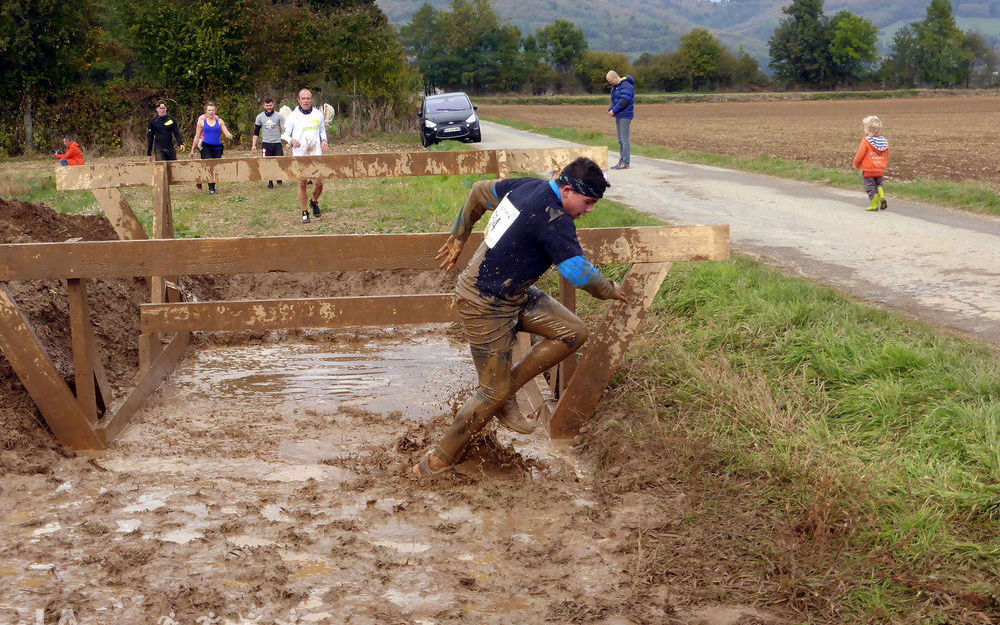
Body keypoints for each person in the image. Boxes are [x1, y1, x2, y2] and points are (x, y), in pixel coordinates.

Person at [412, 157, 629, 478]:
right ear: (567, 190)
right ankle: (434, 464)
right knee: (490, 393)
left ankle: (507, 390)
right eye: (588, 202)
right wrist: (611, 289)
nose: (590, 210)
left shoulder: (528, 186)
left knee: (572, 332)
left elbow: (477, 193)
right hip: (483, 302)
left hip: (514, 292)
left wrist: (460, 235)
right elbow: (578, 273)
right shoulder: (554, 219)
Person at [281, 88, 329, 224]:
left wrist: (324, 141)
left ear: (311, 100)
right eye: (303, 98)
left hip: (315, 154)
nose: (306, 101)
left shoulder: (318, 114)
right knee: (302, 183)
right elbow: (284, 134)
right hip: (300, 154)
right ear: (299, 100)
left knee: (319, 184)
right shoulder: (293, 116)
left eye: (308, 98)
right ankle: (304, 212)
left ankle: (314, 202)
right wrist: (291, 141)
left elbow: (322, 131)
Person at [189, 102, 233, 195]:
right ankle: (211, 188)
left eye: (213, 110)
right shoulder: (201, 122)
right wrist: (192, 149)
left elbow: (225, 131)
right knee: (209, 165)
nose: (211, 112)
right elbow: (197, 136)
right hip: (206, 146)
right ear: (206, 112)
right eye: (209, 110)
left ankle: (213, 184)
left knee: (215, 167)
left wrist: (229, 135)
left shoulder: (220, 121)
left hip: (217, 147)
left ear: (215, 111)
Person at [852, 115, 889, 211]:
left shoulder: (866, 141)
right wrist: (882, 166)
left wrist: (856, 164)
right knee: (879, 184)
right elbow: (886, 155)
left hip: (868, 169)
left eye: (865, 127)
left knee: (870, 187)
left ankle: (874, 205)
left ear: (868, 129)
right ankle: (882, 196)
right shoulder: (884, 142)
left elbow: (860, 154)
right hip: (880, 169)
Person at [252, 97, 285, 189]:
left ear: (273, 105)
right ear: (264, 106)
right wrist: (253, 145)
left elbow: (284, 129)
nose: (269, 107)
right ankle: (270, 182)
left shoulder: (279, 116)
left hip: (277, 142)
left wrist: (287, 142)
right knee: (267, 162)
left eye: (270, 105)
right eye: (267, 106)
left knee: (279, 161)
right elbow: (256, 132)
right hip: (266, 143)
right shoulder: (260, 117)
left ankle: (279, 177)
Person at [606, 70, 635, 170]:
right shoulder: (617, 87)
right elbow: (616, 100)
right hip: (619, 114)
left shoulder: (626, 85)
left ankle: (625, 162)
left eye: (610, 81)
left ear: (615, 77)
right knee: (620, 140)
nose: (610, 83)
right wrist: (611, 109)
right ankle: (621, 161)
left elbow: (624, 101)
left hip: (625, 115)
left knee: (624, 139)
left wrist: (614, 110)